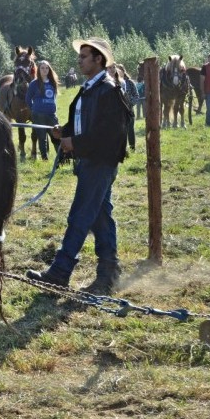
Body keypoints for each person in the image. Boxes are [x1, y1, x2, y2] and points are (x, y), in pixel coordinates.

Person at [27, 38, 133, 293]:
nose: (79, 60)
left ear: (98, 59)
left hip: (99, 163)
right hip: (90, 161)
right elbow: (85, 123)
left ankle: (60, 272)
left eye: (84, 56)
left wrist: (75, 142)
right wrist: (62, 131)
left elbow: (108, 134)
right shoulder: (90, 89)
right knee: (100, 217)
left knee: (80, 215)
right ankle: (109, 274)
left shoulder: (108, 90)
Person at [25, 60, 59, 161]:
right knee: (42, 137)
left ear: (49, 69)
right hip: (38, 115)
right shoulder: (34, 84)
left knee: (56, 135)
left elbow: (54, 96)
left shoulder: (53, 82)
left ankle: (60, 157)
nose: (45, 70)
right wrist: (33, 109)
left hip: (51, 114)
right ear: (38, 70)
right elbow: (28, 99)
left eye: (47, 68)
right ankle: (45, 159)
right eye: (42, 68)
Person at [111, 64, 138, 151]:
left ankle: (132, 147)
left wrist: (130, 103)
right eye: (117, 70)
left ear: (123, 71)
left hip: (129, 110)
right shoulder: (113, 82)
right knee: (122, 131)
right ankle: (123, 150)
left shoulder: (130, 82)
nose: (118, 72)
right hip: (118, 111)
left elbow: (136, 96)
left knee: (130, 129)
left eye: (120, 70)